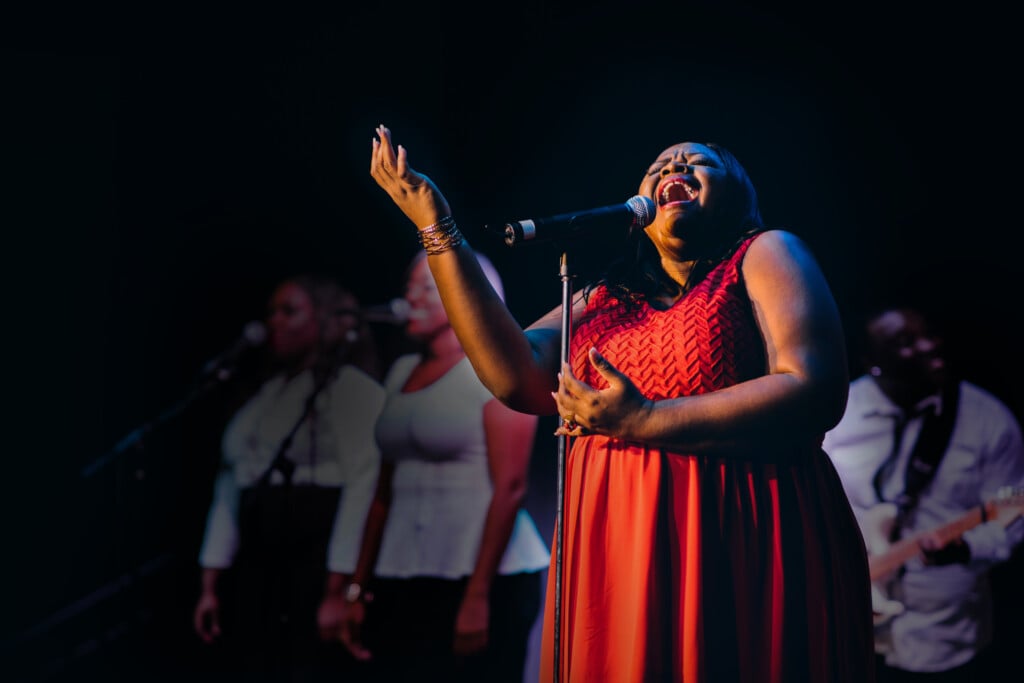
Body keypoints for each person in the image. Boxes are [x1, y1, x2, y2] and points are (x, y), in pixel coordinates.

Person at [362, 124, 876, 682]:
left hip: (735, 537)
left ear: (738, 195)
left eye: (697, 162)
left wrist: (646, 420)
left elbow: (813, 390)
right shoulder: (604, 298)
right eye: (659, 165)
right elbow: (514, 376)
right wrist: (438, 229)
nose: (673, 168)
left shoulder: (764, 253)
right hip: (616, 544)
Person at [319, 248, 550, 683]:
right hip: (403, 573)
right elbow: (383, 493)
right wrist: (357, 585)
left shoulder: (500, 373)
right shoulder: (401, 370)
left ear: (466, 293)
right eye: (409, 286)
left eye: (426, 287)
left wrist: (477, 597)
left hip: (483, 578)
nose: (411, 297)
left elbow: (511, 488)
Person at [192, 273, 387, 682]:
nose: (275, 322)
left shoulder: (349, 389)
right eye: (271, 312)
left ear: (325, 319)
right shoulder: (269, 392)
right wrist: (211, 581)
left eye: (290, 311)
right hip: (260, 560)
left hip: (313, 559)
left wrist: (338, 591)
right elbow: (229, 482)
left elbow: (363, 486)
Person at [821, 303, 1024, 681]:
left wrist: (967, 547)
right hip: (848, 628)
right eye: (905, 342)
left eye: (929, 335)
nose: (928, 346)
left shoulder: (987, 420)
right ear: (872, 360)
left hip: (943, 635)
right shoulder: (838, 416)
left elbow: (1012, 521)